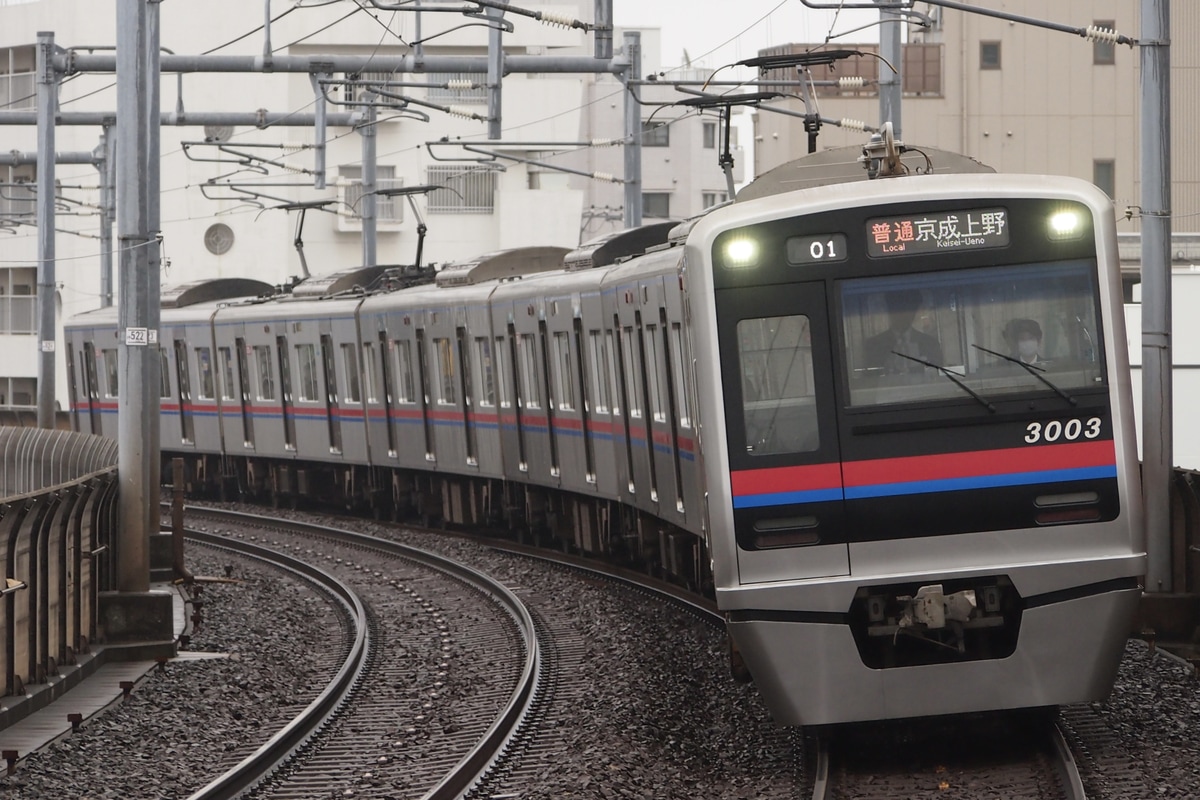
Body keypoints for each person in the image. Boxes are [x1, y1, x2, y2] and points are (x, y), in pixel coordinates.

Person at [864, 289, 944, 374]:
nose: (903, 315)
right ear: (889, 310)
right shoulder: (873, 345)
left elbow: (939, 375)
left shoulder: (930, 344)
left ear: (915, 312)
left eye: (909, 309)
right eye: (897, 309)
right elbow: (870, 378)